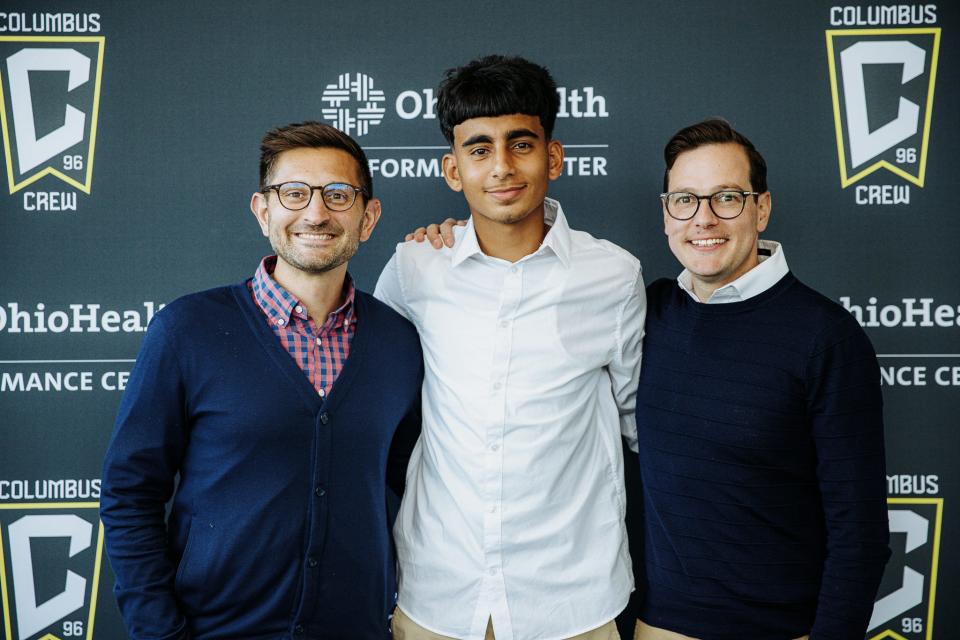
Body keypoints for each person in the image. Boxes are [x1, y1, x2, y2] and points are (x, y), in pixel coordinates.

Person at [416, 118, 890, 640]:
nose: (704, 219)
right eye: (685, 200)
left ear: (762, 208)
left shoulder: (826, 337)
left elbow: (860, 531)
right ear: (666, 214)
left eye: (727, 198)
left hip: (780, 627)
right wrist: (456, 237)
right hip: (656, 625)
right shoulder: (651, 309)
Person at [100, 121, 423, 640]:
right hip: (212, 630)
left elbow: (411, 484)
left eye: (338, 195)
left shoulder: (399, 343)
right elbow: (129, 492)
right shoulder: (189, 330)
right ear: (263, 211)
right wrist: (158, 631)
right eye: (294, 193)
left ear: (369, 218)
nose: (316, 213)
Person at [375, 55, 645, 640]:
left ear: (553, 156)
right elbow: (379, 409)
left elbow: (637, 423)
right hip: (438, 592)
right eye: (478, 149)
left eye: (520, 144)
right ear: (452, 170)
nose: (501, 167)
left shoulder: (614, 276)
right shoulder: (416, 267)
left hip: (572, 599)